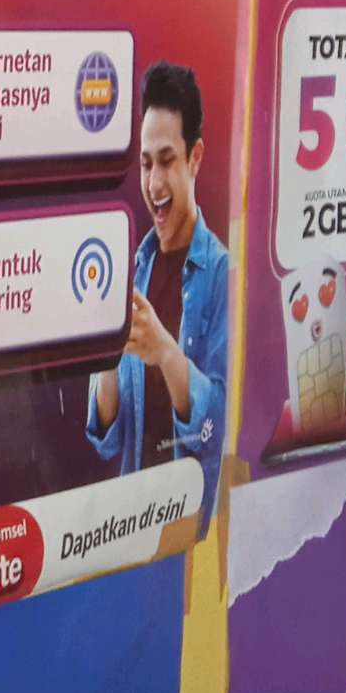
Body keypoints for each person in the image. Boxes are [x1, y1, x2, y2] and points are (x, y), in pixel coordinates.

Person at [88, 60, 228, 479]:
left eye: (167, 161)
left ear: (195, 158)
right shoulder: (132, 272)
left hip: (195, 516)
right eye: (147, 164)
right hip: (138, 510)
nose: (153, 184)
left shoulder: (223, 273)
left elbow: (219, 429)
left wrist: (165, 352)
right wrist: (106, 354)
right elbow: (105, 437)